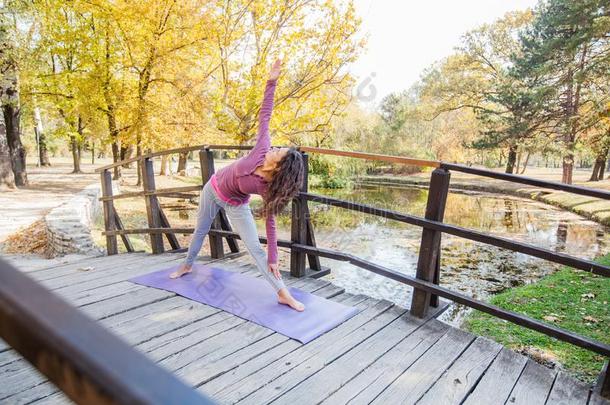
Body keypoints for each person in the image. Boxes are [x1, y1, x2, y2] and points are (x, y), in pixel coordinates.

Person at [170, 59, 305, 312]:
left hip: (235, 205)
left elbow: (271, 221)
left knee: (255, 248)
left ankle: (282, 293)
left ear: (279, 167)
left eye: (280, 151)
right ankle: (187, 264)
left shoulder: (268, 187)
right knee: (201, 229)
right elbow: (265, 114)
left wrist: (274, 256)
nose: (275, 147)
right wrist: (272, 81)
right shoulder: (262, 147)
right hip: (212, 190)